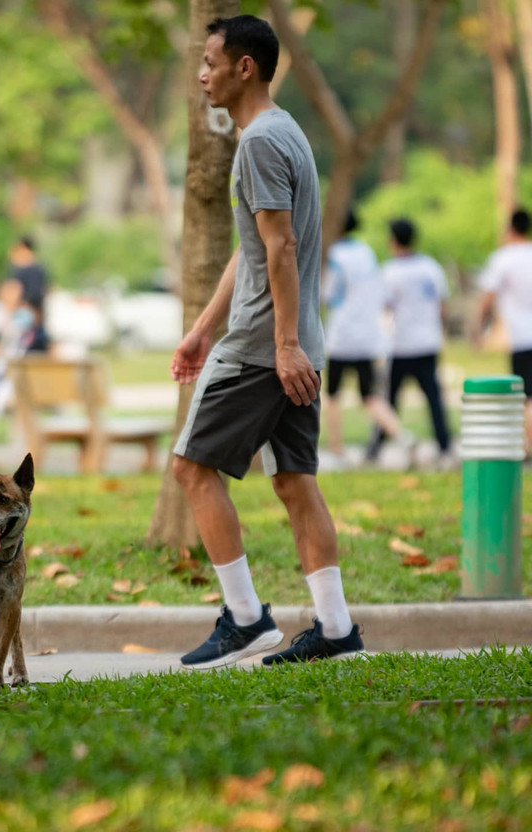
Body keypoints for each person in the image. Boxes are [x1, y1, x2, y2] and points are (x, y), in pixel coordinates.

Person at [169, 15, 363, 669]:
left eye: (209, 61)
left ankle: (247, 619)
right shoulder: (285, 134)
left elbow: (281, 247)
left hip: (263, 349)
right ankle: (336, 630)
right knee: (296, 485)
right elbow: (256, 251)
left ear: (243, 67)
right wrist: (200, 329)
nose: (201, 74)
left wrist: (279, 346)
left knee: (192, 470)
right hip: (296, 343)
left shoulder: (256, 143)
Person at [321, 210, 408, 466]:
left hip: (341, 337)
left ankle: (336, 449)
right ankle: (402, 436)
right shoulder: (367, 253)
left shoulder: (334, 254)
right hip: (367, 337)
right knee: (369, 395)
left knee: (333, 396)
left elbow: (327, 293)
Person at [367, 218, 452, 466]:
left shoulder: (390, 271)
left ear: (393, 240)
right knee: (433, 398)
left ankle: (375, 449)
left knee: (390, 399)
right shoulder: (431, 267)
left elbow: (383, 307)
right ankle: (444, 445)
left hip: (401, 345)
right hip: (428, 343)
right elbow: (442, 306)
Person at [473, 208, 532, 454]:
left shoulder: (503, 258)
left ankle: (529, 448)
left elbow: (487, 297)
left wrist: (477, 328)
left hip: (522, 338)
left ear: (510, 229)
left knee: (527, 397)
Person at [5, 236, 51, 351]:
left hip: (22, 315)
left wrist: (7, 316)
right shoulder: (41, 269)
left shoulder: (20, 270)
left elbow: (14, 292)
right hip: (37, 318)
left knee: (16, 352)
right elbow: (46, 291)